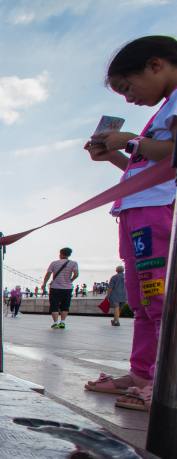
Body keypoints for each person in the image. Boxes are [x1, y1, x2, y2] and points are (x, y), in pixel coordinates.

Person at [83, 37, 177, 409]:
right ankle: (142, 373)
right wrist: (113, 156)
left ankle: (162, 380)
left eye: (127, 87)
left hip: (156, 212)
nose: (128, 98)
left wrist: (132, 142)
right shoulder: (164, 110)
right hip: (136, 211)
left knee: (159, 300)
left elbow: (171, 155)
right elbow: (147, 170)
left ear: (155, 65)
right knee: (141, 300)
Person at [41, 247, 78, 329]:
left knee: (54, 305)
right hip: (67, 288)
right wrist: (70, 280)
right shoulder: (73, 263)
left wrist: (44, 284)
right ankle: (63, 322)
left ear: (60, 254)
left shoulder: (54, 263)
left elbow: (48, 274)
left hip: (55, 287)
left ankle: (55, 323)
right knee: (65, 305)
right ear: (69, 254)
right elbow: (76, 274)